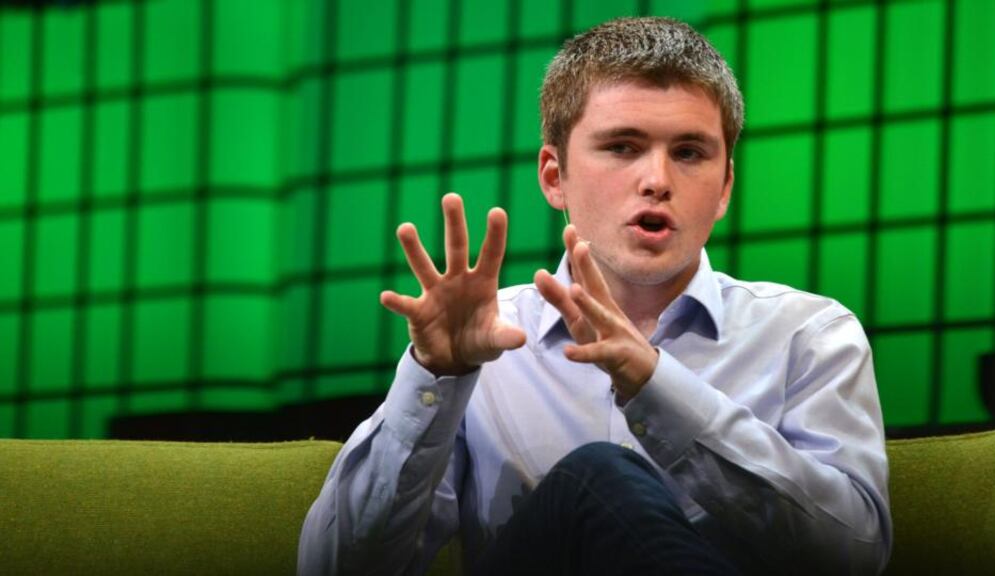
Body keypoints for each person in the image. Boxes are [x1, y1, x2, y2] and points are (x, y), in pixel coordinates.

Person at [298, 16, 892, 576]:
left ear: (725, 188)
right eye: (623, 147)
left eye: (689, 153)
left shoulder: (809, 334)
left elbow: (858, 554)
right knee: (595, 479)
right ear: (555, 177)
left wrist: (655, 385)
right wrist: (434, 375)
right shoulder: (486, 340)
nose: (657, 180)